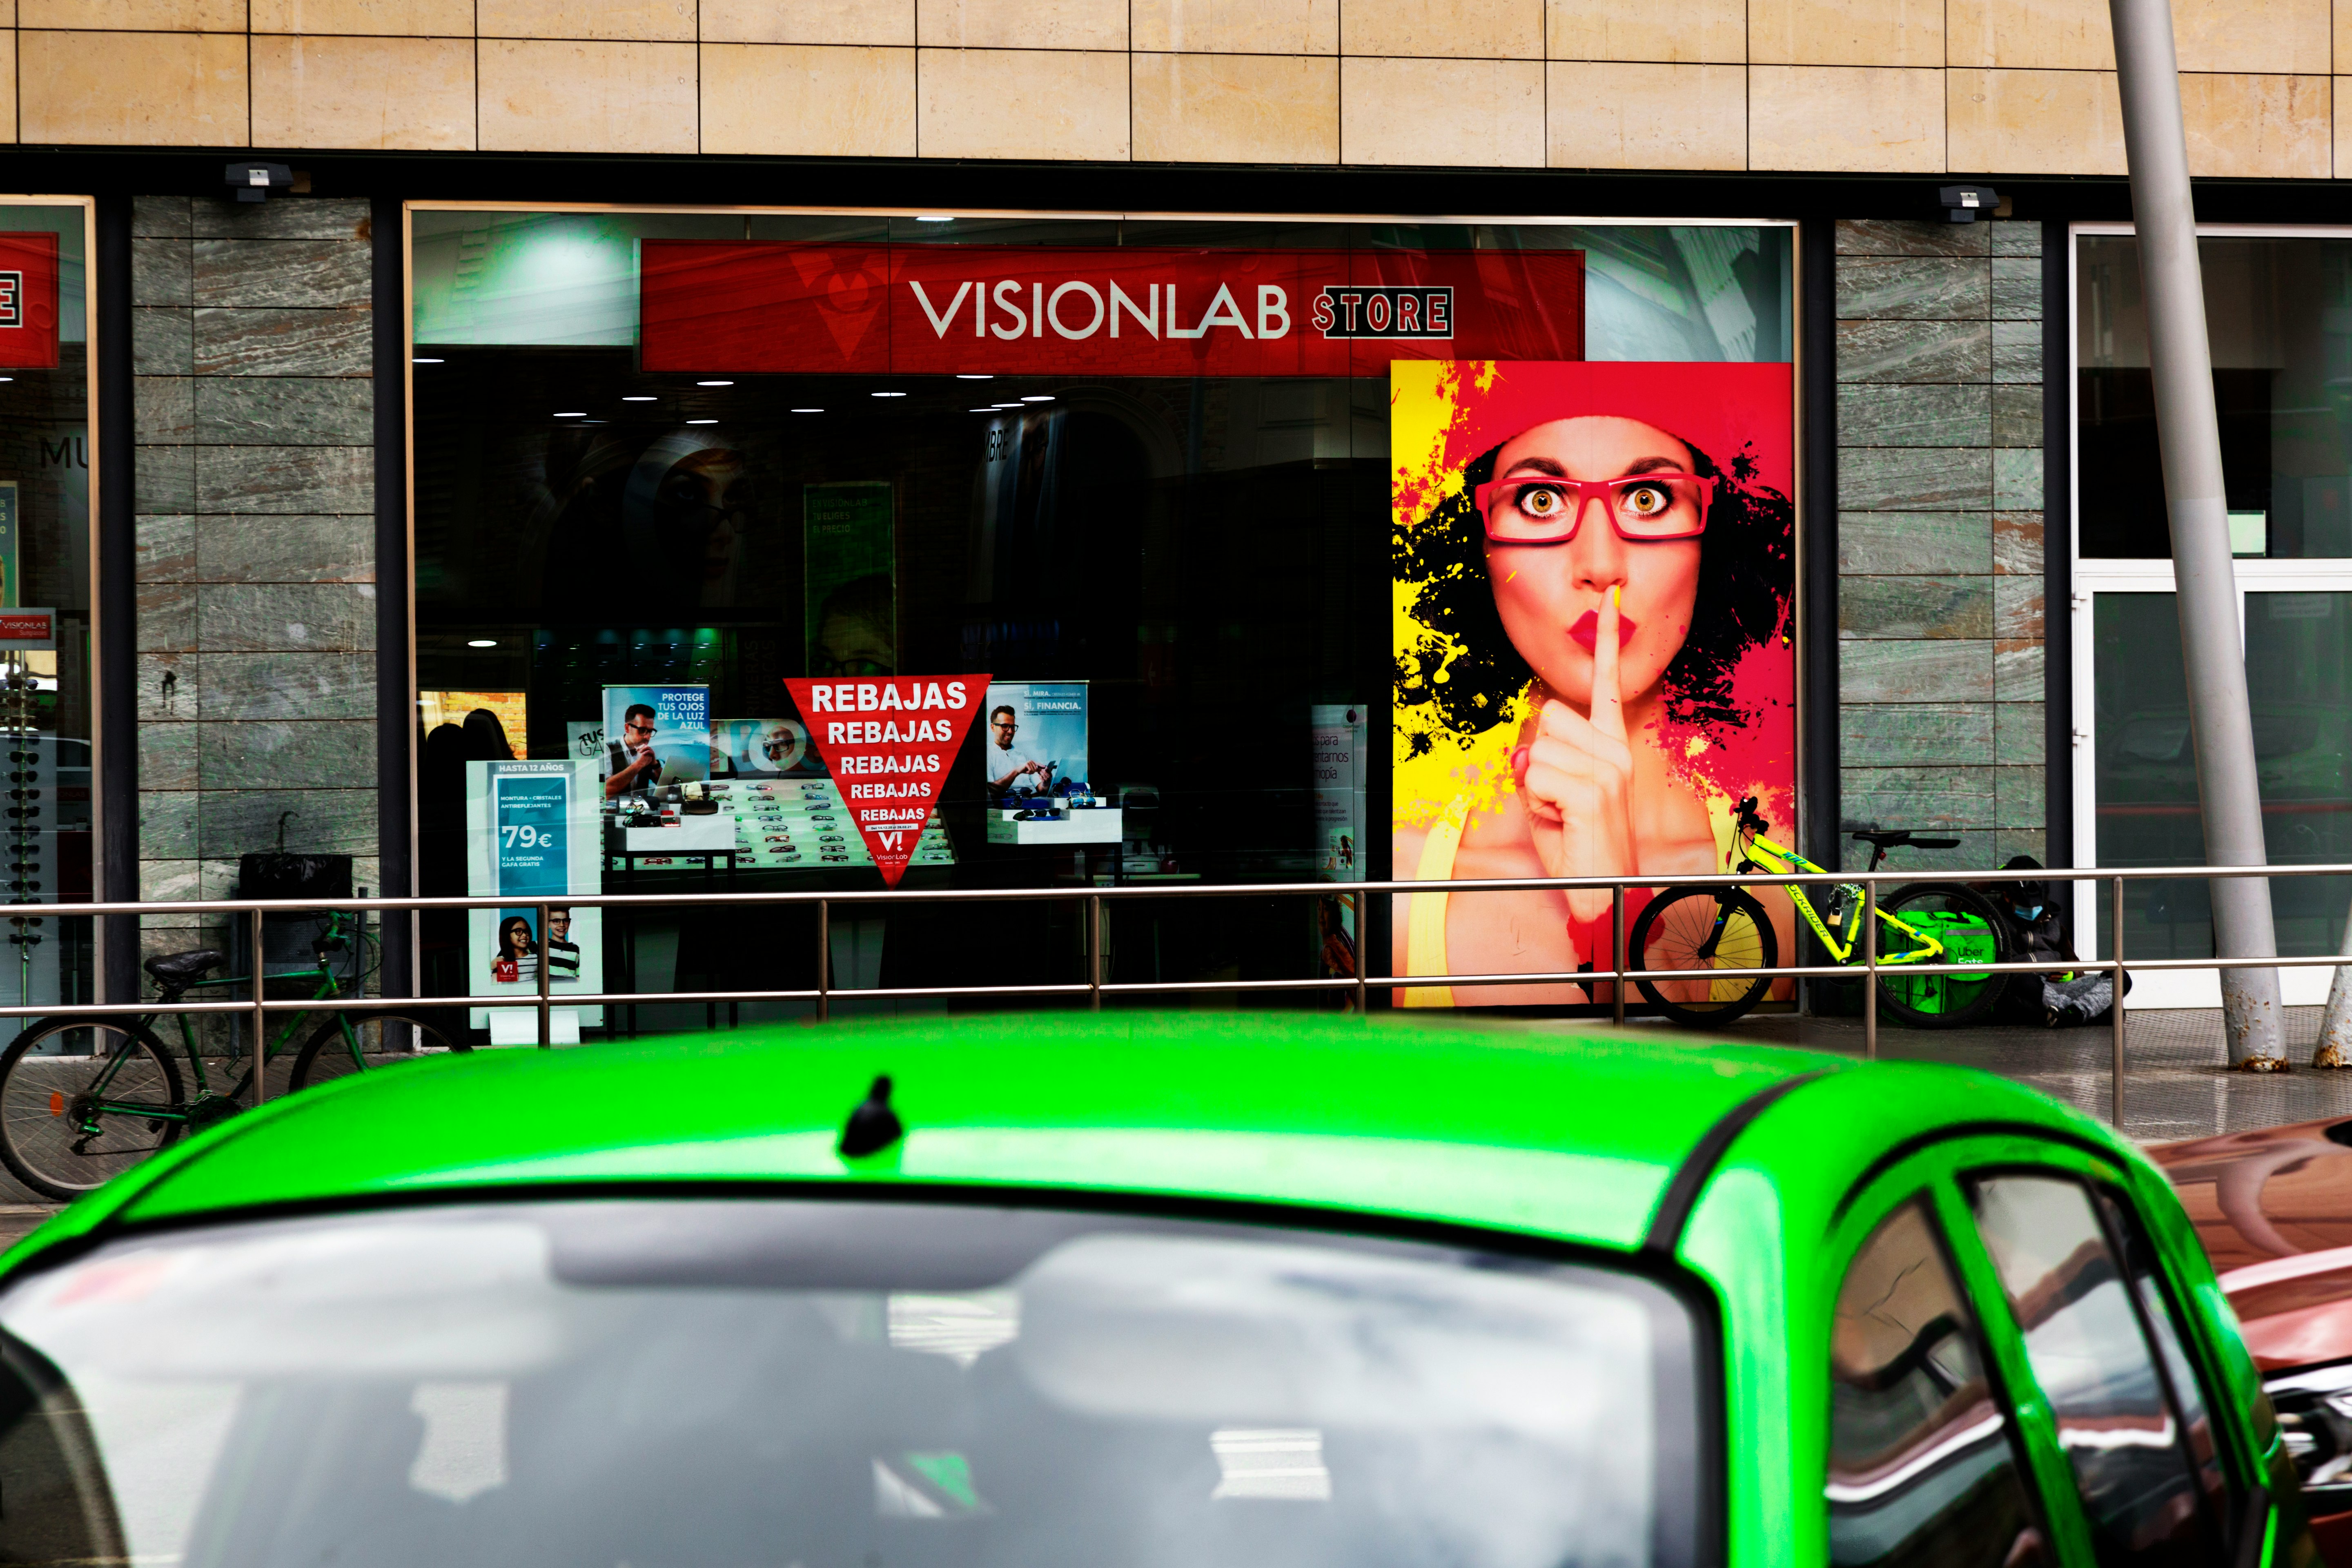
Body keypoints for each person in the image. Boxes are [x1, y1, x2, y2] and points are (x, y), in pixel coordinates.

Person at [1393, 403, 1793, 1007]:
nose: (1602, 567)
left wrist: (1615, 907)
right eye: (1541, 500)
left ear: (1710, 538)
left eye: (1649, 498)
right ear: (1482, 548)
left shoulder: (1782, 887)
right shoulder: (1398, 886)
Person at [984, 704, 1054, 800]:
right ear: (993, 727)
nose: (1010, 732)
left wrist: (1046, 783)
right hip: (1010, 806)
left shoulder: (1022, 756)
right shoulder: (987, 755)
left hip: (1034, 802)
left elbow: (1041, 789)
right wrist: (1017, 771)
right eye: (1005, 726)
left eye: (1013, 727)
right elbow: (991, 792)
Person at [606, 704, 661, 799]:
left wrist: (655, 765)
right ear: (627, 728)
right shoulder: (608, 750)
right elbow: (605, 791)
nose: (647, 737)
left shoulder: (646, 752)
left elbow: (667, 787)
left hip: (642, 812)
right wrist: (639, 764)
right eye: (642, 730)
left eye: (651, 731)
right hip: (613, 812)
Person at [490, 915, 537, 984]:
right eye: (518, 931)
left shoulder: (536, 958)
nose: (524, 935)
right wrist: (491, 967)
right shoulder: (500, 962)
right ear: (507, 935)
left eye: (526, 931)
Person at [544, 906, 580, 981]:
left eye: (565, 921)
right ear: (548, 924)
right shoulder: (541, 946)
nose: (562, 925)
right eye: (556, 921)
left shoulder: (575, 950)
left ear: (569, 923)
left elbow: (578, 977)